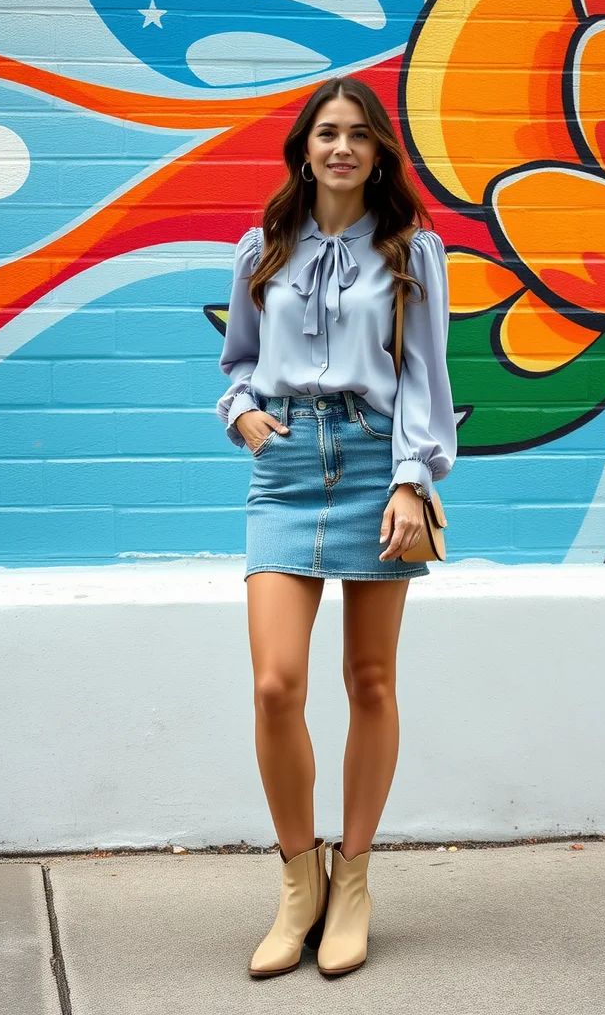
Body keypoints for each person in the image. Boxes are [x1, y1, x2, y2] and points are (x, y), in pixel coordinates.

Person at [215, 76, 457, 978]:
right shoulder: (261, 249)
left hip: (372, 463)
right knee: (277, 684)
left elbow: (426, 378)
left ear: (379, 151)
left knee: (369, 679)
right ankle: (297, 884)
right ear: (304, 148)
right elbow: (237, 363)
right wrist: (240, 413)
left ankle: (352, 877)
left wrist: (409, 479)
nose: (342, 147)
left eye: (359, 134)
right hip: (283, 470)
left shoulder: (411, 252)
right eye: (327, 133)